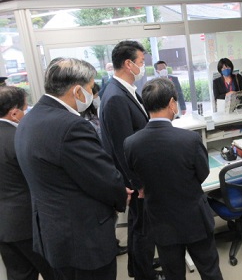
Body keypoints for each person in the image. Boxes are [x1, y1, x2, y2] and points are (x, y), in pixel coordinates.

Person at [14, 58, 130, 280]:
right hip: (83, 240)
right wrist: (120, 195)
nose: (91, 92)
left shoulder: (29, 120)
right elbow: (104, 178)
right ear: (77, 90)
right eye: (89, 87)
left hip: (53, 236)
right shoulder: (71, 126)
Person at [124, 78, 223, 280]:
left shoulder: (131, 143)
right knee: (210, 270)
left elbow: (135, 179)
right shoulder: (190, 140)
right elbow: (203, 174)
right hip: (194, 218)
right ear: (171, 103)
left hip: (160, 222)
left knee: (173, 274)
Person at [99, 40, 162, 280]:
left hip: (137, 174)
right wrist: (138, 183)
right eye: (141, 62)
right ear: (128, 63)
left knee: (140, 226)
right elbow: (122, 146)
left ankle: (138, 267)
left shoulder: (125, 89)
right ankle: (144, 275)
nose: (143, 66)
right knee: (143, 229)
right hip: (135, 178)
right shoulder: (115, 96)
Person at [0, 86, 55, 280]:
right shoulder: (20, 139)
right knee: (54, 272)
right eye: (26, 107)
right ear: (14, 113)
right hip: (28, 223)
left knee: (19, 275)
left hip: (4, 226)